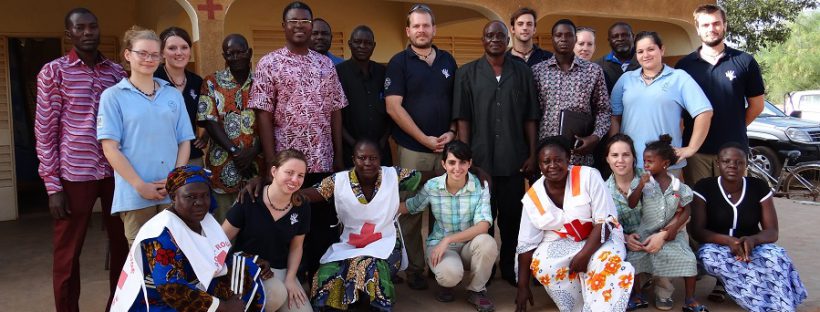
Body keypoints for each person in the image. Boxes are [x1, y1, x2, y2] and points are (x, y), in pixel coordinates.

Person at [34, 8, 129, 311]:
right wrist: (52, 186)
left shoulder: (116, 72)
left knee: (122, 246)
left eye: (93, 27)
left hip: (116, 173)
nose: (88, 32)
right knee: (67, 253)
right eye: (80, 28)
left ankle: (118, 305)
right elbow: (45, 132)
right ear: (69, 34)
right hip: (75, 174)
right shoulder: (54, 72)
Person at [248, 1, 348, 280]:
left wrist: (339, 158)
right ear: (284, 26)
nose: (299, 26)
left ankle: (320, 283)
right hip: (286, 165)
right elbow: (263, 115)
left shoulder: (325, 64)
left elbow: (336, 111)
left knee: (320, 227)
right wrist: (270, 162)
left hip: (322, 159)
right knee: (285, 222)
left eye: (305, 21)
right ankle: (285, 280)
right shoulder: (269, 63)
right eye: (293, 21)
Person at [110, 165, 271, 311]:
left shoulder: (204, 220)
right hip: (159, 302)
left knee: (250, 276)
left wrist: (252, 260)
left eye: (205, 195)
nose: (199, 202)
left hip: (193, 288)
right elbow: (171, 289)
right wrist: (224, 307)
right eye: (190, 197)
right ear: (173, 198)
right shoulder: (161, 235)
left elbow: (214, 257)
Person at [452, 20, 539, 287]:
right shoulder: (467, 73)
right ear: (482, 40)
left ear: (508, 39)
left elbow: (530, 117)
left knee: (512, 220)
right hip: (481, 162)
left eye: (500, 35)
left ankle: (509, 268)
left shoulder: (523, 72)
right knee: (483, 221)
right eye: (489, 35)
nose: (494, 39)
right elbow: (463, 118)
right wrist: (467, 159)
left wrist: (533, 153)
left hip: (514, 160)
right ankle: (484, 270)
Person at [304, 140, 428, 311]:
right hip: (350, 244)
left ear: (380, 159)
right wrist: (279, 191)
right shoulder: (339, 180)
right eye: (362, 158)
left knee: (367, 265)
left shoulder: (393, 175)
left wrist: (467, 170)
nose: (368, 163)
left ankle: (375, 306)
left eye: (373, 158)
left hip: (386, 243)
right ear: (354, 159)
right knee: (327, 271)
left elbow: (426, 176)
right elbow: (310, 194)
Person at [515, 136, 634, 312]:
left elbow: (605, 221)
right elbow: (526, 245)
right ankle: (578, 307)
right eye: (546, 161)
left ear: (568, 160)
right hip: (565, 241)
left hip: (602, 237)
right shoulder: (533, 197)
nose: (553, 165)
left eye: (558, 160)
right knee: (542, 264)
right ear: (540, 166)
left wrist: (584, 255)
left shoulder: (589, 176)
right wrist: (522, 287)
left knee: (604, 261)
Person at [98, 26, 194, 245]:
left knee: (175, 257)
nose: (148, 59)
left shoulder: (172, 94)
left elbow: (184, 141)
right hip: (134, 195)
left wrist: (175, 180)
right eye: (142, 53)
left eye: (154, 54)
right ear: (128, 55)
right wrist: (139, 185)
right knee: (143, 263)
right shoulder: (113, 97)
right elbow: (110, 148)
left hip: (172, 193)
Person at [385, 3, 458, 290]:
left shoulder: (448, 61)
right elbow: (393, 107)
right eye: (416, 25)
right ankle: (415, 268)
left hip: (446, 152)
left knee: (445, 210)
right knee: (412, 212)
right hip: (412, 151)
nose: (421, 30)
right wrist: (423, 138)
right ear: (408, 30)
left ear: (434, 29)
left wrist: (452, 132)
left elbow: (458, 102)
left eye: (426, 25)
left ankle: (444, 267)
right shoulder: (399, 62)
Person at [691, 143, 807, 312]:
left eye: (739, 162)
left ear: (746, 165)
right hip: (716, 246)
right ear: (718, 163)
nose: (732, 165)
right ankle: (761, 305)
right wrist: (728, 241)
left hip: (753, 245)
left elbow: (772, 231)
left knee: (777, 256)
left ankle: (782, 304)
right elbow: (697, 230)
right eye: (726, 161)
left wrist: (753, 240)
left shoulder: (758, 187)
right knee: (710, 259)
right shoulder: (705, 187)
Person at [676, 4, 765, 188]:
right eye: (706, 25)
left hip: (734, 151)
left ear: (724, 25)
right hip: (696, 153)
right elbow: (678, 112)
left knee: (733, 204)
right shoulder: (684, 66)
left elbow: (757, 106)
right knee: (700, 206)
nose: (712, 29)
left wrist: (733, 127)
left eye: (716, 23)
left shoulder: (745, 61)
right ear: (698, 29)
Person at [401, 141, 497, 311]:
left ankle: (477, 291)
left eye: (462, 162)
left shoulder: (480, 187)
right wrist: (378, 206)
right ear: (443, 164)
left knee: (487, 242)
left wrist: (449, 239)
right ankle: (447, 281)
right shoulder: (433, 186)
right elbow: (412, 206)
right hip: (441, 247)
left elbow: (483, 226)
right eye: (452, 162)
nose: (457, 168)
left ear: (470, 163)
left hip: (469, 245)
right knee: (449, 275)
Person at [610, 31, 713, 177]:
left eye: (651, 49)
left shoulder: (679, 78)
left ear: (662, 49)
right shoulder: (626, 79)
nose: (645, 55)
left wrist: (691, 148)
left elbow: (704, 112)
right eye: (640, 51)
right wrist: (614, 150)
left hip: (665, 165)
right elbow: (615, 116)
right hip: (629, 164)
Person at [223, 149, 312, 312]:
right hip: (247, 268)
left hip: (280, 269)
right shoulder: (249, 198)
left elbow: (296, 246)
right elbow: (221, 239)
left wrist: (291, 278)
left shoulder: (302, 205)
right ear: (274, 171)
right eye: (289, 172)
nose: (294, 179)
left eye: (300, 175)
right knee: (274, 295)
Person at [626, 135, 705, 311]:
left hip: (671, 234)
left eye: (650, 161)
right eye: (644, 161)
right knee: (633, 258)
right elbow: (631, 204)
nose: (645, 165)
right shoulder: (644, 184)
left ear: (665, 164)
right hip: (645, 232)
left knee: (689, 259)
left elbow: (687, 209)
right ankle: (637, 295)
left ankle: (690, 299)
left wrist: (674, 229)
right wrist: (639, 185)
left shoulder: (678, 186)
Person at [198, 34, 262, 222]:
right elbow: (209, 120)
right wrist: (236, 152)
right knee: (224, 228)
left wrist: (252, 152)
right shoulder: (211, 82)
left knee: (255, 226)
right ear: (224, 56)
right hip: (222, 166)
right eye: (230, 54)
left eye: (240, 52)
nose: (235, 57)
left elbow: (272, 121)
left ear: (249, 53)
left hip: (257, 167)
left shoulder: (263, 82)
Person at [532, 19, 610, 167]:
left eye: (568, 35)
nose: (563, 38)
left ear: (575, 39)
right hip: (547, 155)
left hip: (579, 152)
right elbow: (531, 114)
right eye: (558, 35)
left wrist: (595, 137)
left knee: (579, 190)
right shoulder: (537, 72)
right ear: (552, 39)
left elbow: (604, 109)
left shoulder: (593, 71)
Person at [336, 25, 392, 167]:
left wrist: (383, 141)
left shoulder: (383, 72)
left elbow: (392, 109)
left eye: (367, 43)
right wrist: (354, 144)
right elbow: (334, 116)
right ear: (350, 44)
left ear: (374, 46)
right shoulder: (337, 73)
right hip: (349, 150)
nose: (362, 46)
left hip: (381, 149)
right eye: (357, 42)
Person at [154, 27, 207, 166]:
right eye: (172, 48)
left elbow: (210, 113)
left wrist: (205, 135)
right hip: (159, 156)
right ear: (162, 53)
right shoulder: (153, 79)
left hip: (191, 155)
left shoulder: (197, 82)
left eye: (184, 47)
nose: (179, 53)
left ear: (190, 51)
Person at [596, 22, 640, 93]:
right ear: (609, 41)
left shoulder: (644, 62)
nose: (620, 39)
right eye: (615, 36)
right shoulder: (598, 66)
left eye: (624, 35)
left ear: (633, 36)